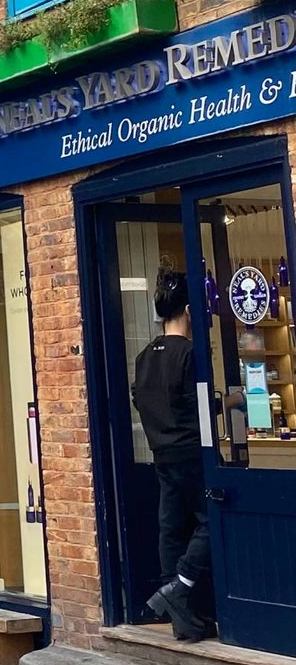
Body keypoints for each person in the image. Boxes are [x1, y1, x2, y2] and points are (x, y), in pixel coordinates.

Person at [132, 266, 215, 642]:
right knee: (213, 518)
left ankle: (181, 617)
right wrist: (229, 401)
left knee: (171, 527)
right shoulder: (190, 354)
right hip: (192, 451)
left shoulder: (144, 357)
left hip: (161, 453)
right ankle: (180, 586)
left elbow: (141, 401)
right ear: (188, 310)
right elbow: (197, 404)